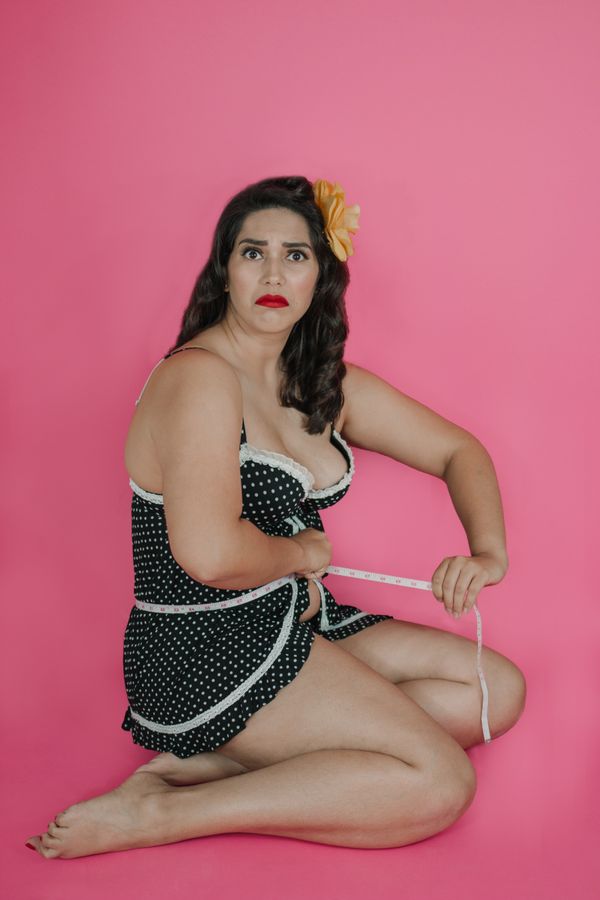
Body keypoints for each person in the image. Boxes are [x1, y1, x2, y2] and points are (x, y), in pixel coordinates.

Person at [26, 175, 526, 859]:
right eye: (252, 252)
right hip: (200, 648)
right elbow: (210, 556)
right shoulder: (200, 377)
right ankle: (161, 812)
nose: (272, 274)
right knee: (441, 782)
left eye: (295, 255)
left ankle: (218, 764)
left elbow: (456, 450)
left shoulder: (318, 382)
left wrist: (488, 553)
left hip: (293, 619)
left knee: (495, 690)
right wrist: (304, 555)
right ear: (224, 270)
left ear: (321, 275)